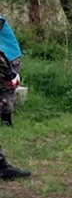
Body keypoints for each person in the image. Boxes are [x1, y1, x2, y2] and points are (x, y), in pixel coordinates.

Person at [0, 13, 30, 180]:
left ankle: (7, 118)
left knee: (7, 95)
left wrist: (9, 73)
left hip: (10, 58)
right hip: (6, 61)